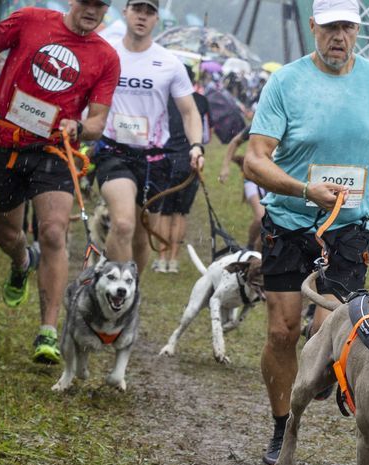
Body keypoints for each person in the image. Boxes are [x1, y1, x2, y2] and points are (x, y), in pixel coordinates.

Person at [243, 0, 369, 465]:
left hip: (349, 229)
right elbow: (255, 158)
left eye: (347, 26)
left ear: (358, 29)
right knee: (282, 332)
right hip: (288, 222)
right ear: (313, 28)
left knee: (328, 339)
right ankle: (282, 426)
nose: (338, 36)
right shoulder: (285, 82)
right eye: (329, 28)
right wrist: (305, 189)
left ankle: (320, 373)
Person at [0, 0, 119, 363]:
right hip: (5, 144)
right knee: (7, 235)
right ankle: (23, 261)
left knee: (54, 232)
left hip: (54, 151)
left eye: (100, 5)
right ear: (73, 1)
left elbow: (99, 120)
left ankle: (48, 331)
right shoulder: (31, 19)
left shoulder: (105, 56)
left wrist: (80, 126)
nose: (91, 10)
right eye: (87, 2)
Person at [93, 0, 205, 274]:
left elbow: (190, 112)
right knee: (122, 223)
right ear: (125, 11)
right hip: (112, 151)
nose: (142, 17)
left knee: (142, 237)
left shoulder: (170, 63)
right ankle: (111, 286)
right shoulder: (106, 53)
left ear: (157, 19)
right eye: (137, 9)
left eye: (149, 12)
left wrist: (196, 146)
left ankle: (130, 292)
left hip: (154, 159)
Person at [153, 63, 210, 273]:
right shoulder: (202, 101)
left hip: (165, 159)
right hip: (190, 161)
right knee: (180, 212)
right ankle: (174, 260)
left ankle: (161, 258)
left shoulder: (164, 99)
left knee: (164, 212)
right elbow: (205, 136)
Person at [218, 124, 266, 250]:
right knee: (261, 217)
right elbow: (235, 142)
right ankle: (249, 248)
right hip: (253, 178)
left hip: (279, 179)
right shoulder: (260, 123)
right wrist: (225, 167)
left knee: (272, 221)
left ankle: (260, 253)